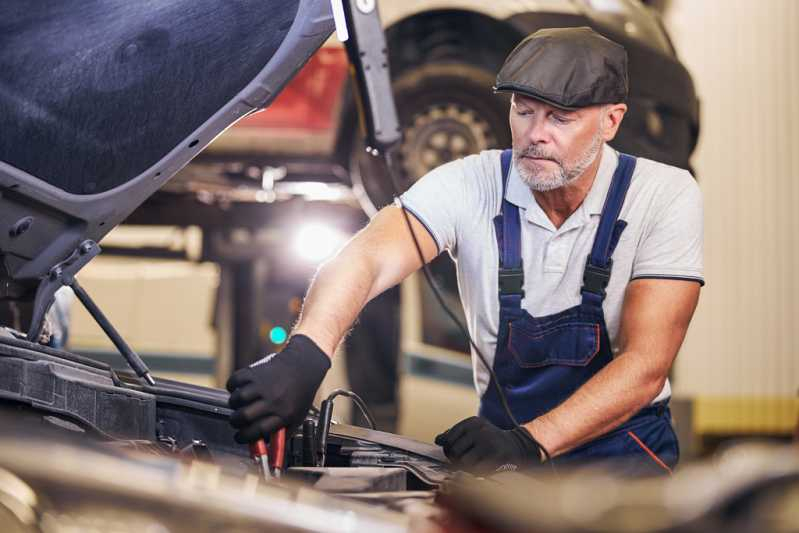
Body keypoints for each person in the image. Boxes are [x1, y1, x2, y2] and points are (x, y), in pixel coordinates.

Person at [226, 27, 703, 477]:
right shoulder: (471, 184)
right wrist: (307, 350)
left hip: (625, 466)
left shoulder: (662, 195)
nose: (536, 134)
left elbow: (645, 365)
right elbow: (367, 257)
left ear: (611, 121)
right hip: (509, 468)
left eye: (560, 118)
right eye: (523, 110)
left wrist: (529, 442)